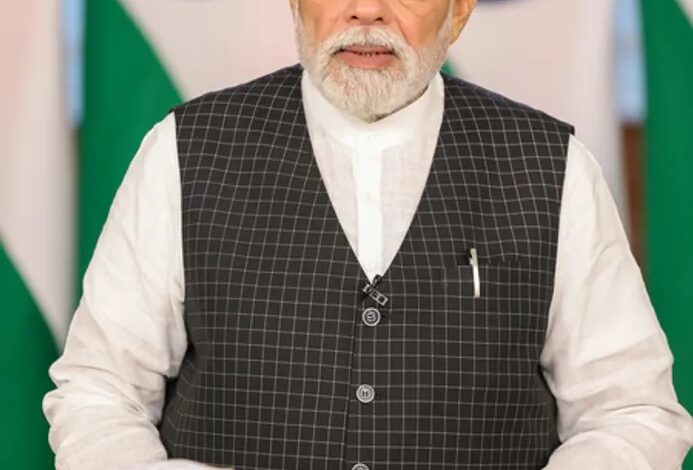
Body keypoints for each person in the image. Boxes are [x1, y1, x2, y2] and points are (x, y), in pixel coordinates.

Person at [44, 0, 693, 469]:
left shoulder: (550, 165)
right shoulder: (184, 151)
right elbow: (99, 392)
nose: (366, 11)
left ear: (460, 10)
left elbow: (631, 410)